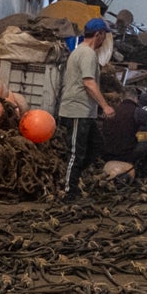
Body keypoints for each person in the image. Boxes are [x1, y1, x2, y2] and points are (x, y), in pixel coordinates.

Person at [59, 17, 113, 195]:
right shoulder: (87, 54)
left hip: (85, 112)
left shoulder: (84, 52)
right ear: (99, 34)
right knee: (76, 152)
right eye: (104, 36)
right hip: (76, 110)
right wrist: (105, 106)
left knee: (96, 145)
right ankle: (69, 192)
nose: (105, 40)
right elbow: (89, 83)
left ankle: (72, 179)